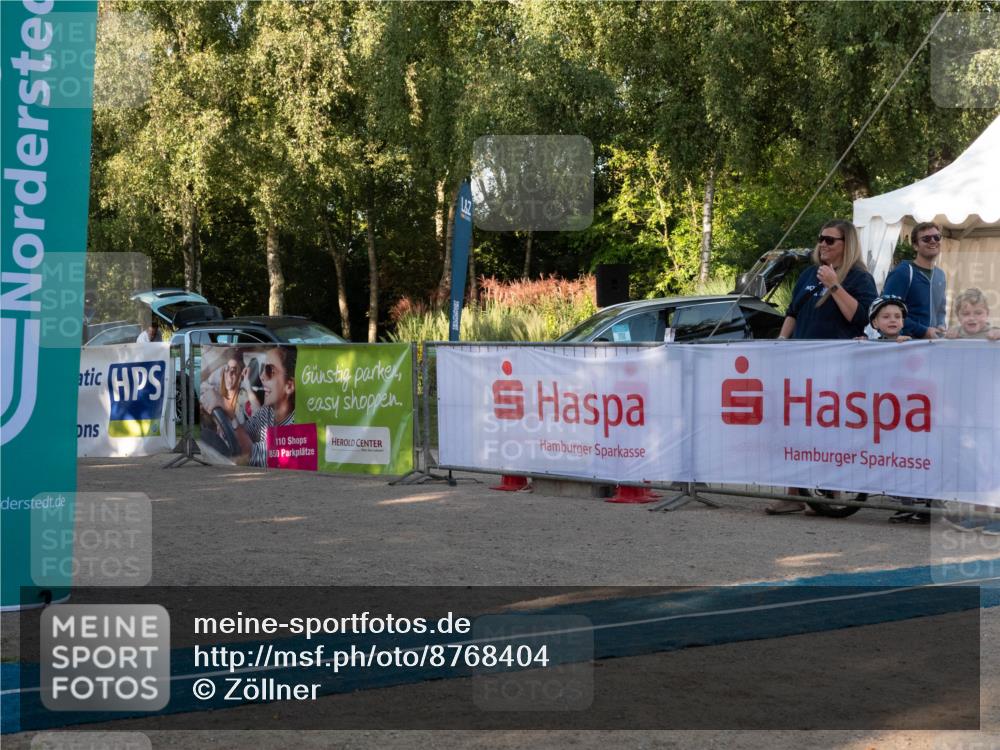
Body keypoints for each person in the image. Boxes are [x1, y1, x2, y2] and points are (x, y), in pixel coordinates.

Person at [777, 219, 877, 341]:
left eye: (830, 240)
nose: (823, 244)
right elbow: (792, 312)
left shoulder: (860, 277)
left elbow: (862, 318)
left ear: (847, 244)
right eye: (821, 239)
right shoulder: (809, 273)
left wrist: (833, 285)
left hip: (838, 351)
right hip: (801, 350)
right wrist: (782, 339)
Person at [201, 346, 297, 467]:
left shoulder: (296, 428)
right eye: (262, 369)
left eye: (270, 371)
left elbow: (250, 454)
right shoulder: (267, 413)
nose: (261, 376)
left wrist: (229, 411)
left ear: (289, 386)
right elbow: (244, 432)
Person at [881, 222, 948, 339]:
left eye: (937, 237)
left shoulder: (940, 275)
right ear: (915, 246)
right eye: (926, 239)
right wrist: (923, 331)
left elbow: (940, 310)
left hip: (933, 343)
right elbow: (885, 312)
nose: (933, 241)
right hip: (905, 344)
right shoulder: (903, 272)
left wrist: (941, 325)